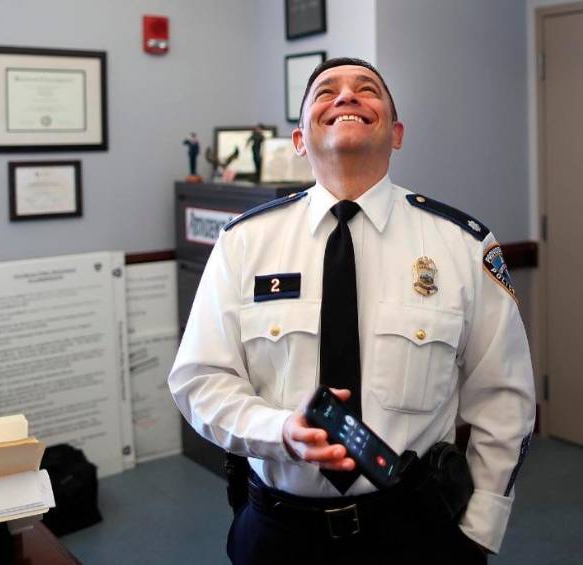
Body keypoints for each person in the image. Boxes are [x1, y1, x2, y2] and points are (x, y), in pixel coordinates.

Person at [169, 57, 535, 564]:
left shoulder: (461, 245)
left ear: (397, 132)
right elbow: (199, 379)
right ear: (299, 139)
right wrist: (277, 432)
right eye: (326, 91)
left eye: (367, 90)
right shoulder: (243, 243)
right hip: (278, 530)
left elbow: (504, 399)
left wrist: (477, 530)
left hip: (414, 529)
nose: (346, 97)